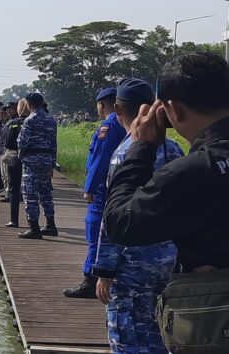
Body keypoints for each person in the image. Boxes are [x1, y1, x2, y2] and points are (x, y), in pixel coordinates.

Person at [102, 53, 229, 353]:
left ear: (171, 109)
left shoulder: (193, 172)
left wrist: (142, 147)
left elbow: (121, 222)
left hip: (212, 320)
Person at [91, 78, 185, 354]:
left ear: (118, 111)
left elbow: (114, 216)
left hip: (132, 264)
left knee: (129, 334)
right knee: (162, 330)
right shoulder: (175, 150)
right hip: (171, 259)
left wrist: (104, 271)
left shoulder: (124, 155)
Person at [63, 88, 126, 299]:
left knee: (95, 230)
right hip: (119, 188)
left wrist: (89, 187)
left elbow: (100, 159)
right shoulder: (123, 123)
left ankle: (90, 279)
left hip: (103, 188)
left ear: (101, 104)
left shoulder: (108, 125)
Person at [17, 93, 57, 239]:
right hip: (46, 159)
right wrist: (52, 162)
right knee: (45, 193)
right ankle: (51, 225)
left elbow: (22, 142)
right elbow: (54, 143)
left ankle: (34, 228)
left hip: (32, 160)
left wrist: (20, 157)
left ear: (28, 103)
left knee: (30, 194)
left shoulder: (30, 120)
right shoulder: (51, 119)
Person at [2, 99, 29, 227]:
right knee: (31, 191)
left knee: (14, 189)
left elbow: (7, 142)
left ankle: (14, 220)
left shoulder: (13, 123)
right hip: (31, 160)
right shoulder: (36, 122)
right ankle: (33, 222)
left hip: (15, 159)